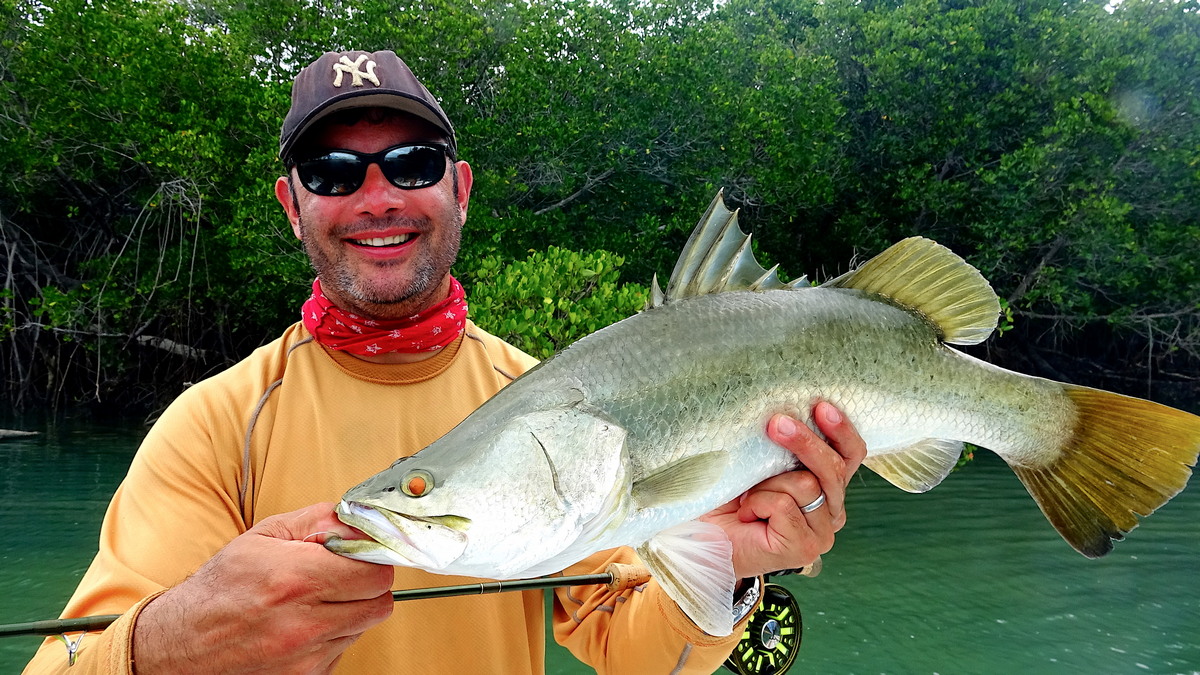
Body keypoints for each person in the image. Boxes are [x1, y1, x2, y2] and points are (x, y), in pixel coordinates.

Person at [25, 49, 866, 674]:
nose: (378, 195)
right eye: (332, 171)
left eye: (412, 163)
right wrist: (163, 647)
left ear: (459, 186)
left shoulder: (551, 407)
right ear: (292, 207)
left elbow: (635, 649)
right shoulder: (214, 423)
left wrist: (728, 566)